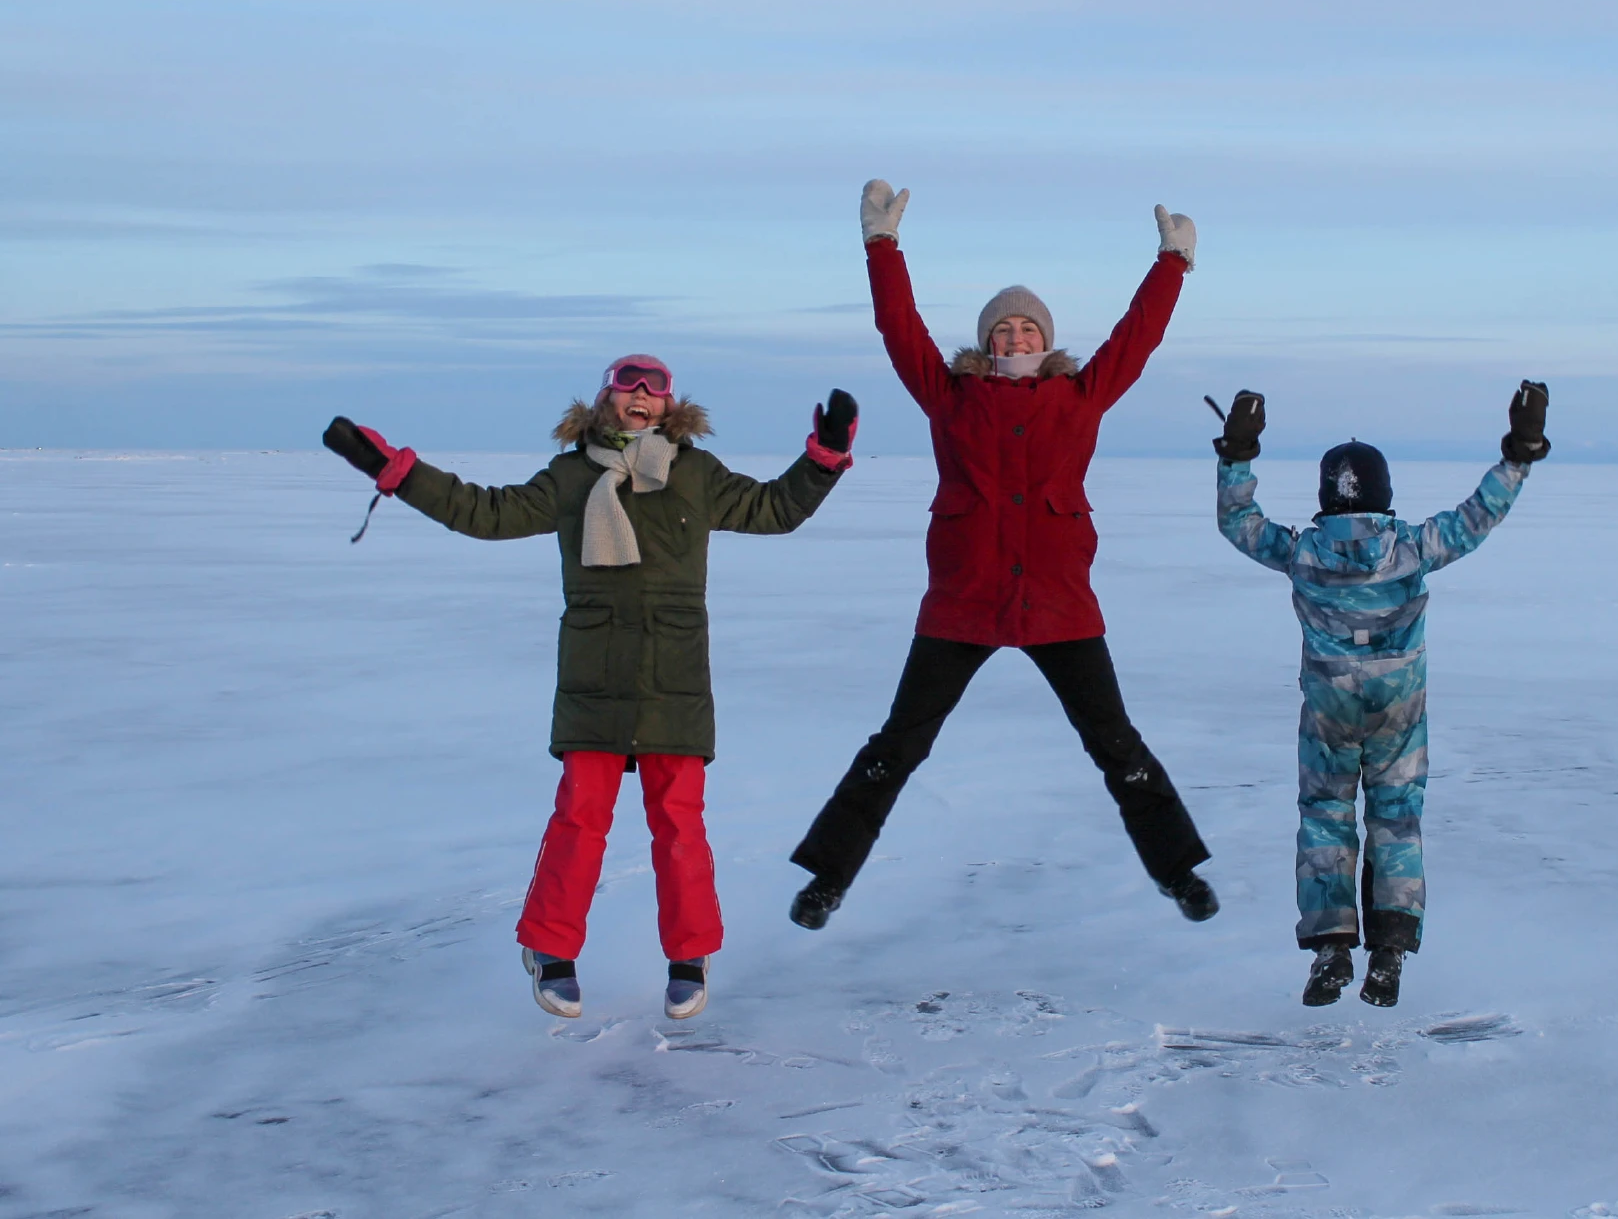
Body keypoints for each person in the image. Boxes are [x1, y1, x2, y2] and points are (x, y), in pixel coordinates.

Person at [322, 356, 857, 1021]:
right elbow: (485, 512)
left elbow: (776, 509)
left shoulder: (696, 476)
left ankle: (690, 958)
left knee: (680, 824)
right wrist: (397, 473)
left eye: (654, 387)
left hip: (674, 675)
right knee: (579, 819)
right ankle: (550, 949)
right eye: (628, 385)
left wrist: (825, 456)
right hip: (594, 672)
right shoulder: (573, 477)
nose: (640, 396)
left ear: (669, 404)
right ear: (607, 398)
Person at [787, 179, 1219, 931]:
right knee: (898, 744)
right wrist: (881, 247)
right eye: (1003, 330)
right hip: (963, 600)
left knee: (1116, 744)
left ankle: (1179, 872)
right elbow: (900, 329)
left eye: (1027, 330)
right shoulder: (951, 396)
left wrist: (1172, 264)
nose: (1015, 340)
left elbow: (1138, 335)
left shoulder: (1081, 395)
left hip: (1058, 603)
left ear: (1045, 341)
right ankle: (827, 877)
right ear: (986, 342)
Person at [1210, 382, 1550, 1007]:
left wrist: (1237, 455)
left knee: (1324, 817)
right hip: (1398, 709)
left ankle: (1333, 947)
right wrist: (1519, 453)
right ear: (1384, 493)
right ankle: (1389, 951)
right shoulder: (1411, 548)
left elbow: (1238, 523)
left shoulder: (1303, 552)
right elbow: (1481, 514)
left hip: (1329, 711)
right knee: (1396, 820)